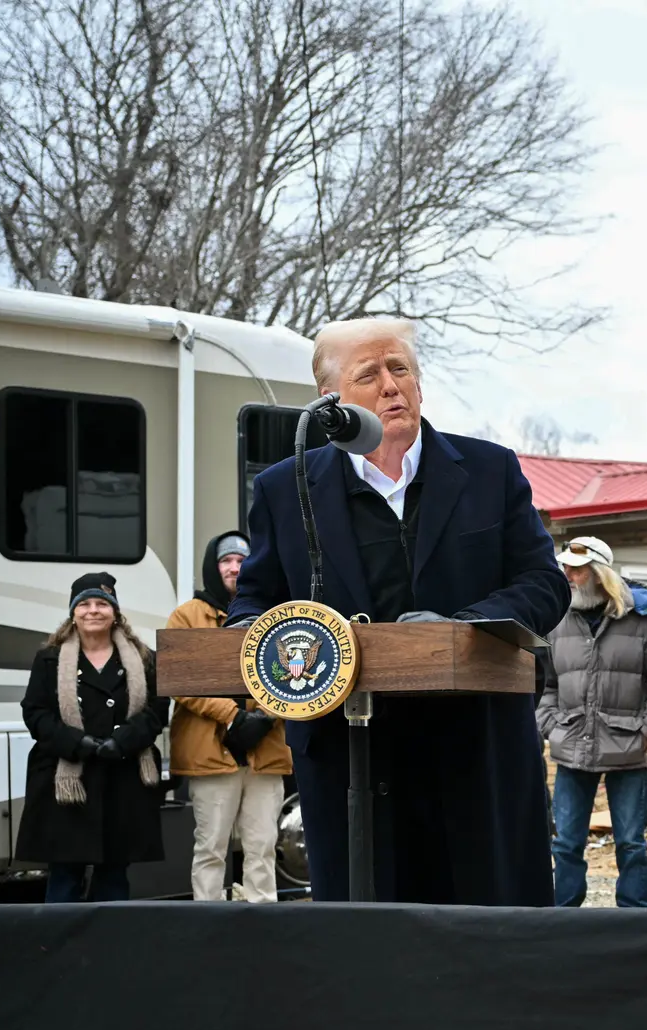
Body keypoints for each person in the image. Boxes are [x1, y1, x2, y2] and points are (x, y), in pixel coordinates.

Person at [230, 317, 567, 905]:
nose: (391, 385)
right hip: (348, 758)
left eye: (400, 369)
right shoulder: (287, 489)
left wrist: (461, 629)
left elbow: (543, 583)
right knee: (370, 939)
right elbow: (256, 598)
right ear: (330, 400)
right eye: (369, 374)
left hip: (476, 750)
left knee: (488, 930)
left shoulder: (489, 471)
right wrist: (247, 634)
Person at [540, 536, 647, 908]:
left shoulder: (642, 617)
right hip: (572, 746)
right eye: (565, 567)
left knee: (631, 843)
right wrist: (551, 724)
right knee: (566, 843)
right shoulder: (557, 617)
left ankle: (634, 917)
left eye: (576, 570)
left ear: (599, 573)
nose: (568, 575)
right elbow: (545, 681)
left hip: (627, 746)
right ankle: (564, 916)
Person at [16, 573, 169, 902]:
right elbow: (35, 713)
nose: (93, 610)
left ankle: (109, 935)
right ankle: (59, 935)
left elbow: (157, 711)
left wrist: (123, 741)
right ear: (73, 613)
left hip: (123, 778)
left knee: (114, 874)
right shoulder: (49, 659)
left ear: (115, 612)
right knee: (64, 875)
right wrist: (76, 743)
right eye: (84, 604)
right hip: (67, 781)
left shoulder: (144, 659)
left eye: (102, 604)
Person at [165, 530, 292, 903]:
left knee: (262, 846)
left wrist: (265, 717)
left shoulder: (275, 614)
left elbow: (296, 679)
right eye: (226, 561)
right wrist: (233, 717)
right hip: (210, 754)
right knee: (210, 848)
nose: (234, 568)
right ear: (213, 567)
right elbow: (179, 678)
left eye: (242, 560)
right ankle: (208, 921)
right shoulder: (187, 616)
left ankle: (262, 917)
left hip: (265, 752)